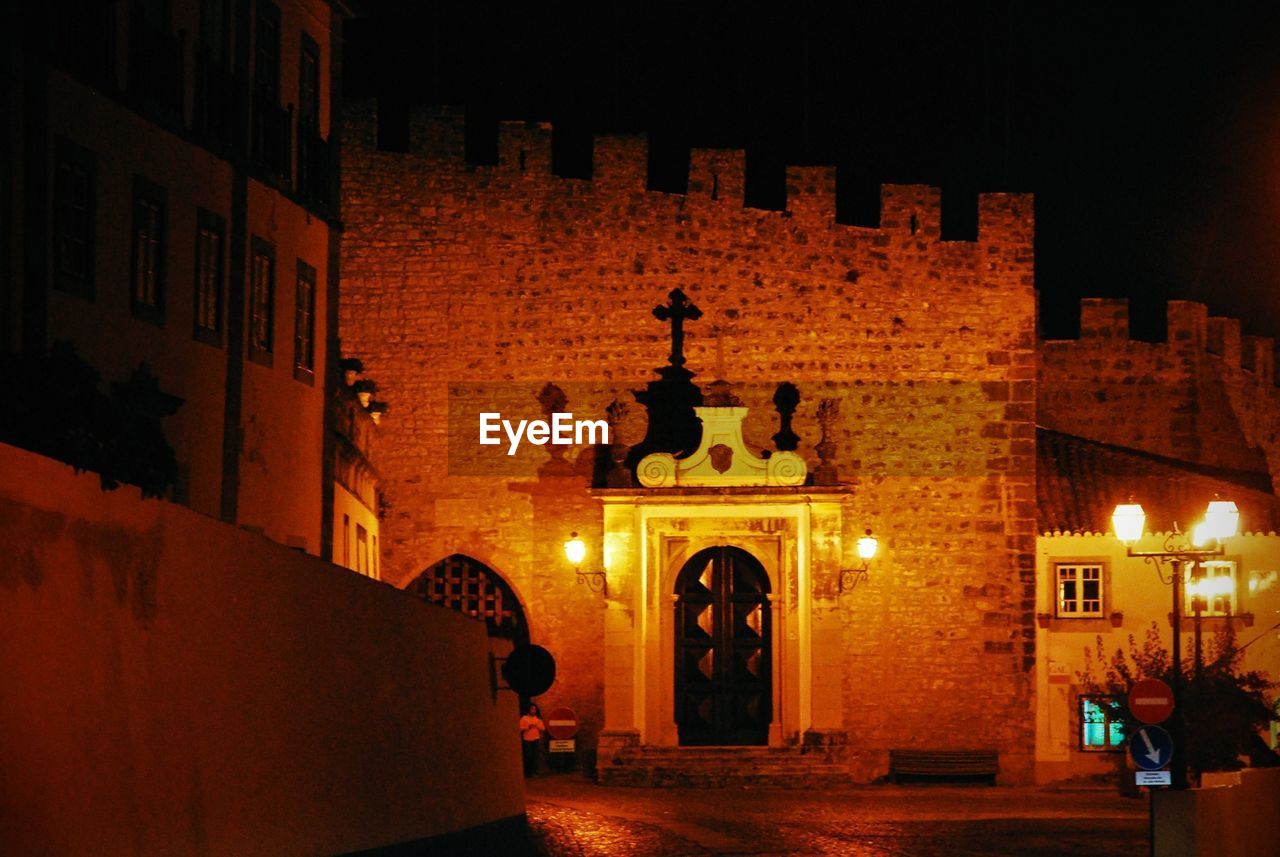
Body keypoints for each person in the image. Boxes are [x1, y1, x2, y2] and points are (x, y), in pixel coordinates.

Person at [519, 703, 546, 776]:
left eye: (535, 709)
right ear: (529, 709)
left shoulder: (538, 719)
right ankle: (528, 773)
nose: (533, 710)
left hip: (536, 739)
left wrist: (537, 725)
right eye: (532, 709)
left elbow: (543, 728)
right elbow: (519, 728)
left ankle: (534, 772)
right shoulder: (524, 718)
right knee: (528, 756)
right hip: (527, 739)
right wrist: (528, 727)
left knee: (535, 756)